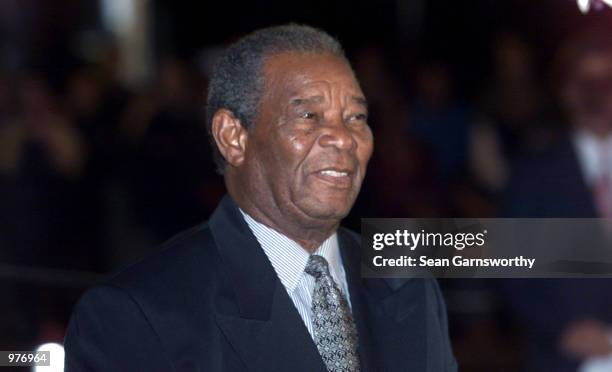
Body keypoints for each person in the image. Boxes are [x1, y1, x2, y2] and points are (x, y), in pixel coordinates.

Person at [64, 24, 456, 372]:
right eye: (309, 116)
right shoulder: (137, 314)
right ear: (233, 137)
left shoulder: (407, 285)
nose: (343, 137)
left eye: (356, 117)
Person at [501, 26, 612, 372]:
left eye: (607, 82)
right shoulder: (535, 172)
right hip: (565, 360)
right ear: (567, 91)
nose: (598, 96)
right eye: (586, 84)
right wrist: (560, 330)